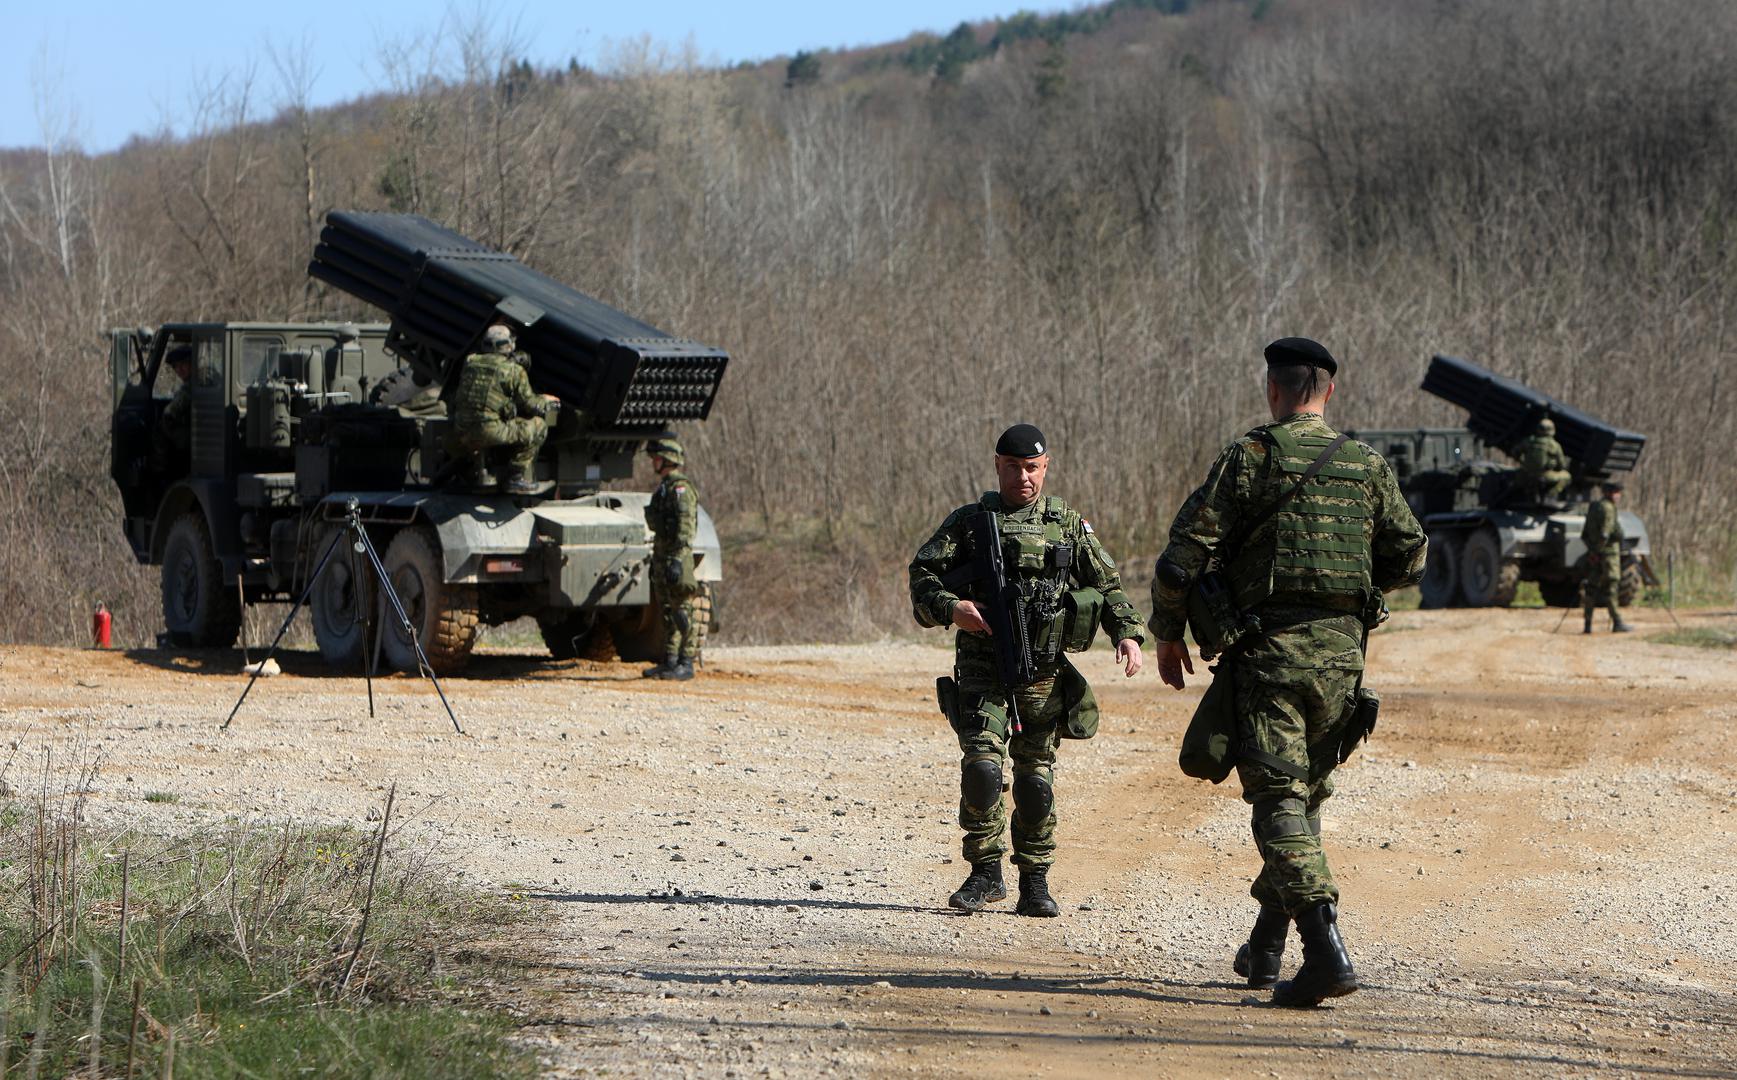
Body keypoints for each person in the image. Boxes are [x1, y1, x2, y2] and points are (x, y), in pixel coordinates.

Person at [1148, 338, 1426, 1007]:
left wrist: (1166, 631)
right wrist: (1351, 594)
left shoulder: (1250, 459)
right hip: (1340, 664)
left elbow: (1182, 556)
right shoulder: (1364, 464)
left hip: (1268, 654)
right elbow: (1410, 555)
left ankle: (1325, 950)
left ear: (1271, 389)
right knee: (1302, 799)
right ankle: (1267, 947)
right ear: (1327, 392)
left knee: (1276, 801)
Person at [909, 424, 1146, 918]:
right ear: (997, 465)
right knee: (981, 769)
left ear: (1047, 466)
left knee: (1035, 783)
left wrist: (1127, 633)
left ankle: (1034, 881)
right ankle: (984, 871)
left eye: (1033, 468)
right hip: (982, 666)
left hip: (1043, 672)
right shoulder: (970, 524)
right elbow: (923, 575)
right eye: (1014, 467)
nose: (1024, 477)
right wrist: (953, 608)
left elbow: (1108, 584)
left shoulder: (1066, 523)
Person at [451, 323, 556, 495]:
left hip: (461, 430)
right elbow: (531, 405)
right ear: (509, 344)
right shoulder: (514, 370)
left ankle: (467, 472)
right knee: (538, 426)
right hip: (490, 431)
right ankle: (515, 477)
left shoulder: (469, 362)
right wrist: (545, 401)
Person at [642, 434, 702, 680]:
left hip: (677, 558)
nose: (653, 463)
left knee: (682, 611)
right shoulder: (664, 489)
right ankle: (669, 660)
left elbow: (686, 529)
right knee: (667, 611)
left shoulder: (681, 490)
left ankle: (686, 663)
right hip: (663, 557)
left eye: (656, 459)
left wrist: (678, 559)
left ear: (667, 460)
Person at [1581, 479, 1630, 634]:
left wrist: (1592, 551)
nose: (1618, 496)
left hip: (1595, 554)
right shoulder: (1608, 509)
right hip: (1608, 554)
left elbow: (1585, 534)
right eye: (1615, 493)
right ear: (1608, 493)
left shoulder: (1594, 507)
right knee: (1611, 587)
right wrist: (1598, 551)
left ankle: (1587, 625)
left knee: (1591, 588)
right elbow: (1605, 533)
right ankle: (1617, 621)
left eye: (1619, 493)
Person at [1515, 417, 1571, 503]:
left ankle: (1530, 492)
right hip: (1545, 475)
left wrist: (1523, 462)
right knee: (1567, 476)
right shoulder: (1554, 445)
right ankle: (1550, 494)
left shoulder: (1529, 441)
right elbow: (1562, 465)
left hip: (1526, 473)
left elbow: (1515, 452)